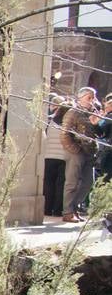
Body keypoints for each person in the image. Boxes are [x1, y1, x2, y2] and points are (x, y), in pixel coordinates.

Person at [61, 86, 101, 222]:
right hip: (76, 152)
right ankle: (67, 211)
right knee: (72, 182)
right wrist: (75, 150)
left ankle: (75, 208)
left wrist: (96, 124)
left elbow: (97, 134)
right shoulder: (73, 112)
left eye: (93, 97)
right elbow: (64, 134)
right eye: (89, 97)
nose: (92, 101)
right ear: (81, 98)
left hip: (89, 153)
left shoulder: (90, 114)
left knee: (88, 182)